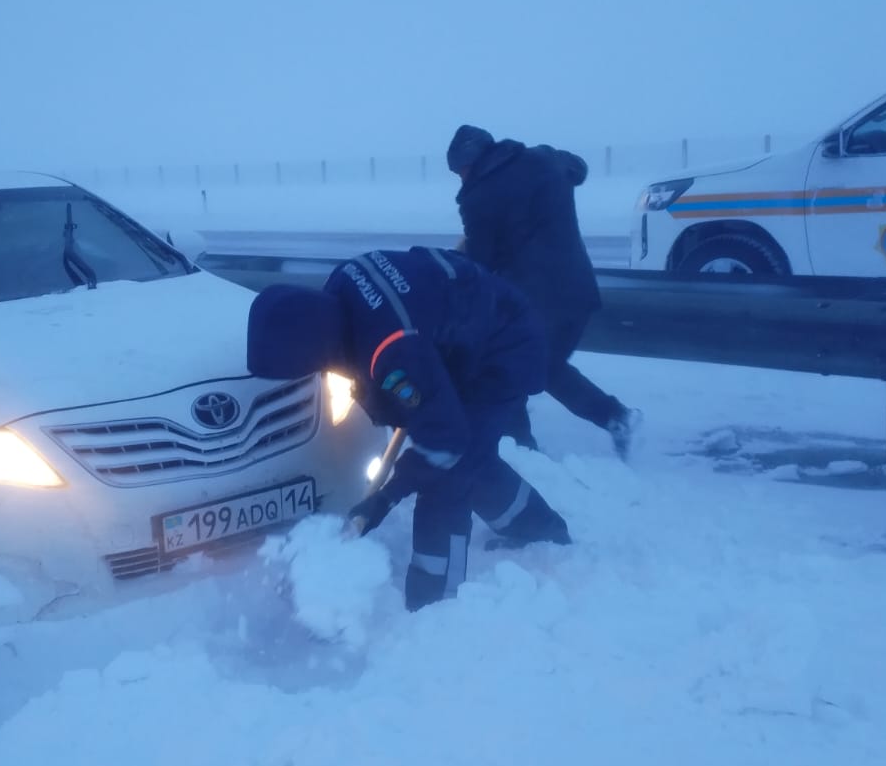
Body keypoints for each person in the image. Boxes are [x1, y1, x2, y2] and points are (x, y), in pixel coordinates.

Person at [246, 246, 572, 611]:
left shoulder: (392, 352)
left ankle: (434, 607)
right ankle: (538, 527)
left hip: (503, 352)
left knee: (451, 474)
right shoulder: (340, 286)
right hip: (457, 343)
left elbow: (446, 443)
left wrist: (385, 497)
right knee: (469, 456)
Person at [446, 123, 641, 459]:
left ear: (471, 161)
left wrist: (460, 257)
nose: (461, 178)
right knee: (545, 367)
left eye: (460, 170)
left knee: (506, 366)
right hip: (579, 290)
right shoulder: (544, 159)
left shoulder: (478, 196)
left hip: (536, 301)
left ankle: (520, 451)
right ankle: (614, 417)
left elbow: (482, 262)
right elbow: (577, 167)